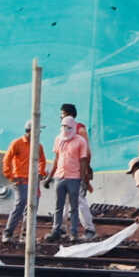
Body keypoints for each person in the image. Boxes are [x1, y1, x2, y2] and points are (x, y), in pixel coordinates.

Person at [49, 103, 93, 243]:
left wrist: (85, 174)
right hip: (62, 175)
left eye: (62, 113)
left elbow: (85, 155)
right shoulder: (60, 136)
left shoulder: (79, 131)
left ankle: (88, 228)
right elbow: (57, 157)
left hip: (75, 174)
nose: (60, 116)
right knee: (63, 204)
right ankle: (60, 228)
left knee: (78, 202)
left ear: (68, 114)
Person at [1, 119, 47, 242]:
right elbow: (6, 159)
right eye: (38, 130)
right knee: (20, 206)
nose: (40, 133)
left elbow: (42, 160)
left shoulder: (38, 145)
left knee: (32, 207)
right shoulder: (17, 143)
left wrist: (41, 173)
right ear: (30, 131)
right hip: (20, 181)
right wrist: (10, 176)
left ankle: (26, 235)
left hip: (33, 181)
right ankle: (8, 233)